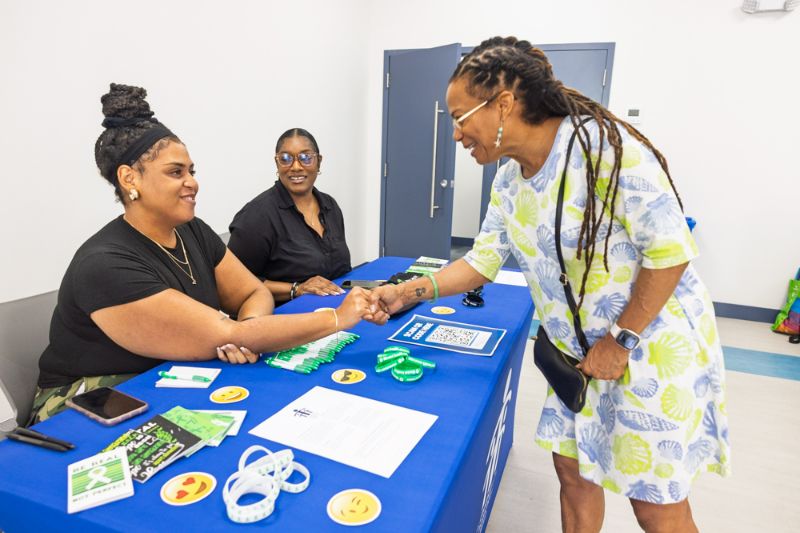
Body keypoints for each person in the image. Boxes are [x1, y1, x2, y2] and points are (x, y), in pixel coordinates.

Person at [367, 37, 730, 532]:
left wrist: (620, 340)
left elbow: (670, 253)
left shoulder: (604, 149)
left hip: (646, 349)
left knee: (654, 502)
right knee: (573, 473)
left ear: (503, 105)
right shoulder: (510, 180)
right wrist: (406, 292)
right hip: (574, 354)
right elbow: (482, 261)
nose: (455, 134)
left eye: (459, 117)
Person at [30, 84, 372, 424]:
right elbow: (225, 334)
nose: (192, 182)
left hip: (167, 375)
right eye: (176, 172)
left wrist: (249, 329)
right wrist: (337, 318)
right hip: (90, 399)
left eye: (191, 171)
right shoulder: (104, 263)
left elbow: (252, 291)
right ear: (129, 177)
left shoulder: (192, 229)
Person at [228, 128, 351, 302]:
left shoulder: (330, 206)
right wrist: (297, 289)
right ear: (277, 164)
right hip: (283, 318)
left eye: (306, 158)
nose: (295, 167)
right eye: (285, 159)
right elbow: (234, 282)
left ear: (319, 162)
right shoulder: (257, 216)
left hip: (335, 311)